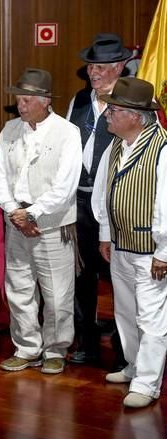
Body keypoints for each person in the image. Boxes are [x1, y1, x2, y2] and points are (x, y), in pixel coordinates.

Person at [0, 68, 82, 375]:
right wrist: (13, 210)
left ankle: (55, 349)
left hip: (52, 224)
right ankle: (26, 348)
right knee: (19, 289)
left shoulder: (68, 132)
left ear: (45, 101)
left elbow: (65, 186)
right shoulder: (9, 130)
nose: (21, 104)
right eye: (19, 98)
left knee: (57, 294)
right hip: (16, 221)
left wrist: (33, 213)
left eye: (28, 99)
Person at [91, 77, 167, 408]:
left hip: (151, 251)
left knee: (151, 318)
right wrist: (106, 234)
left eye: (115, 109)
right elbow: (103, 193)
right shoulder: (117, 144)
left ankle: (148, 384)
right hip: (121, 245)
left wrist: (164, 252)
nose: (107, 113)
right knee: (125, 311)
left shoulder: (162, 148)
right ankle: (134, 367)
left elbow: (166, 204)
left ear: (136, 115)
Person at [67, 33, 130, 365]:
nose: (94, 73)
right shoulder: (78, 101)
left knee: (118, 279)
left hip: (115, 204)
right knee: (81, 276)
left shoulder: (132, 102)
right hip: (79, 201)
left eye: (102, 67)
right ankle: (87, 344)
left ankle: (123, 350)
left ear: (119, 67)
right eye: (91, 67)